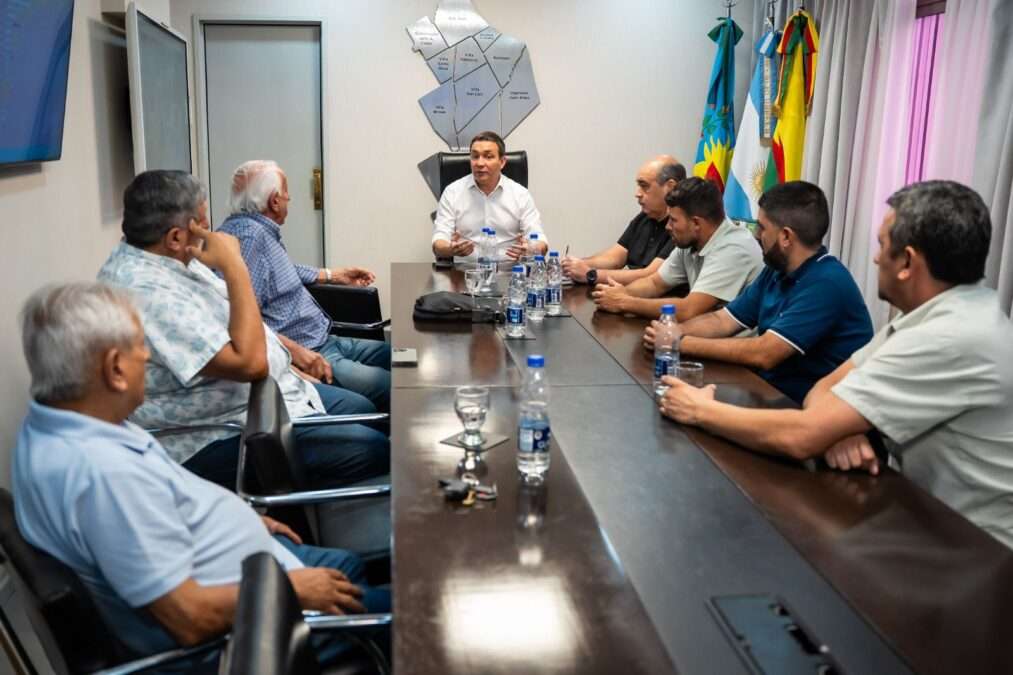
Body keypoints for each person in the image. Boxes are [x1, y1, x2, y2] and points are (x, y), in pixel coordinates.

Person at [13, 282, 390, 672]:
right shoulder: (102, 475)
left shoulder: (59, 422)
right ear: (115, 368)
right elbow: (189, 618)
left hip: (246, 570)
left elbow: (157, 504)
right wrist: (294, 588)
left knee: (348, 567)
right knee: (404, 616)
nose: (147, 355)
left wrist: (240, 516)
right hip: (250, 635)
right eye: (140, 346)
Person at [657, 180, 1013, 548]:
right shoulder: (941, 315)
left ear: (907, 262)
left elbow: (800, 437)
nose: (875, 259)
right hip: (931, 523)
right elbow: (827, 386)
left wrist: (700, 410)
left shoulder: (947, 336)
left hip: (981, 551)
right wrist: (842, 426)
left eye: (882, 246)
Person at [98, 170, 388, 491]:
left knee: (362, 409)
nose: (213, 234)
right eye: (204, 224)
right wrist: (234, 265)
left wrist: (290, 355)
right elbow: (251, 365)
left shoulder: (173, 260)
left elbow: (236, 317)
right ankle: (295, 510)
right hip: (217, 433)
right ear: (176, 237)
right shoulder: (145, 291)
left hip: (266, 395)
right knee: (375, 448)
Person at [644, 181, 873, 403]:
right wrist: (676, 330)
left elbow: (764, 353)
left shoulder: (826, 283)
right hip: (769, 392)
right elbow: (723, 320)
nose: (755, 234)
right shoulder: (777, 269)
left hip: (807, 408)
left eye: (761, 227)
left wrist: (680, 343)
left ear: (786, 236)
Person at [218, 160, 390, 412]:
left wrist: (333, 275)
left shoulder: (255, 231)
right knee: (395, 384)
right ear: (274, 201)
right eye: (287, 195)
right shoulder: (250, 239)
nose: (289, 200)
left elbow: (282, 270)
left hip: (326, 339)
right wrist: (295, 358)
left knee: (403, 357)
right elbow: (244, 319)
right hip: (311, 353)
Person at [593, 176, 763, 320]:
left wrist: (624, 302)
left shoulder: (733, 249)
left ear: (696, 223)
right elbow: (655, 283)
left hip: (737, 343)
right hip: (706, 332)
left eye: (673, 220)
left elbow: (689, 309)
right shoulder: (689, 240)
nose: (667, 226)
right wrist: (621, 293)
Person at [562, 156, 685, 286]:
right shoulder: (645, 217)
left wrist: (590, 274)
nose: (637, 193)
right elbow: (616, 257)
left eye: (644, 186)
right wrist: (576, 264)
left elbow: (652, 275)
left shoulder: (680, 227)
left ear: (670, 187)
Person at [431, 130, 548, 261]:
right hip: (464, 270)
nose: (480, 163)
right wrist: (450, 249)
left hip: (510, 270)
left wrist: (531, 249)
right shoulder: (452, 192)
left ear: (502, 162)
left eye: (488, 156)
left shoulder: (520, 194)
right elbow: (439, 240)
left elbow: (539, 238)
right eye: (475, 156)